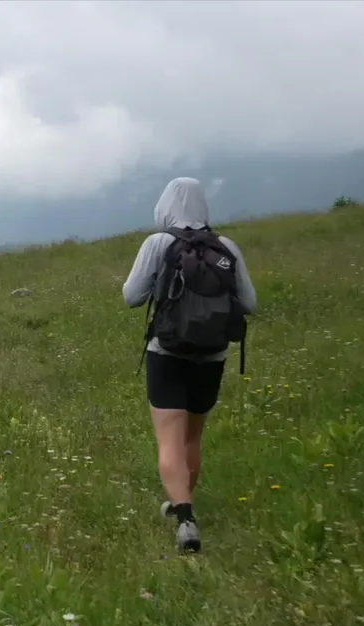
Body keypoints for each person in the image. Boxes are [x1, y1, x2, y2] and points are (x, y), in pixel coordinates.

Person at [122, 177, 258, 553]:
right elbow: (250, 303)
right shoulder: (226, 246)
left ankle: (184, 518)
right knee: (192, 438)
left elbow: (132, 296)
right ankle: (185, 504)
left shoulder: (158, 243)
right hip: (212, 355)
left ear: (166, 205)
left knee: (169, 439)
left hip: (167, 351)